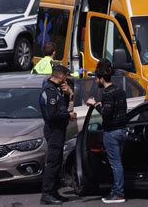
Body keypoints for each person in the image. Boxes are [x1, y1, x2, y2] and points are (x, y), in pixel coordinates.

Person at [86, 59, 128, 204]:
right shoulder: (120, 91)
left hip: (112, 132)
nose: (96, 81)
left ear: (101, 78)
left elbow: (106, 113)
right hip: (122, 130)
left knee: (115, 164)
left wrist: (94, 104)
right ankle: (117, 190)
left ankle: (118, 192)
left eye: (97, 78)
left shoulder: (108, 93)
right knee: (119, 163)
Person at [40, 65, 77, 205]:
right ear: (61, 76)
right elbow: (52, 114)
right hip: (53, 129)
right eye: (66, 77)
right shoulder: (49, 91)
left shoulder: (57, 89)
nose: (66, 80)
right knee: (53, 162)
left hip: (59, 129)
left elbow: (61, 106)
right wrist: (69, 115)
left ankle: (54, 191)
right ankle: (47, 194)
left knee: (58, 161)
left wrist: (69, 95)